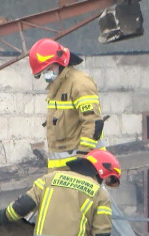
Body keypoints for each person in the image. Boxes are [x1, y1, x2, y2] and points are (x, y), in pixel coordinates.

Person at [29, 38, 107, 172]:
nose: (46, 74)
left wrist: (82, 158)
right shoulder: (57, 87)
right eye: (43, 72)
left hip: (82, 168)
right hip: (62, 172)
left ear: (60, 62)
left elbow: (92, 123)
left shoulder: (80, 84)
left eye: (49, 69)